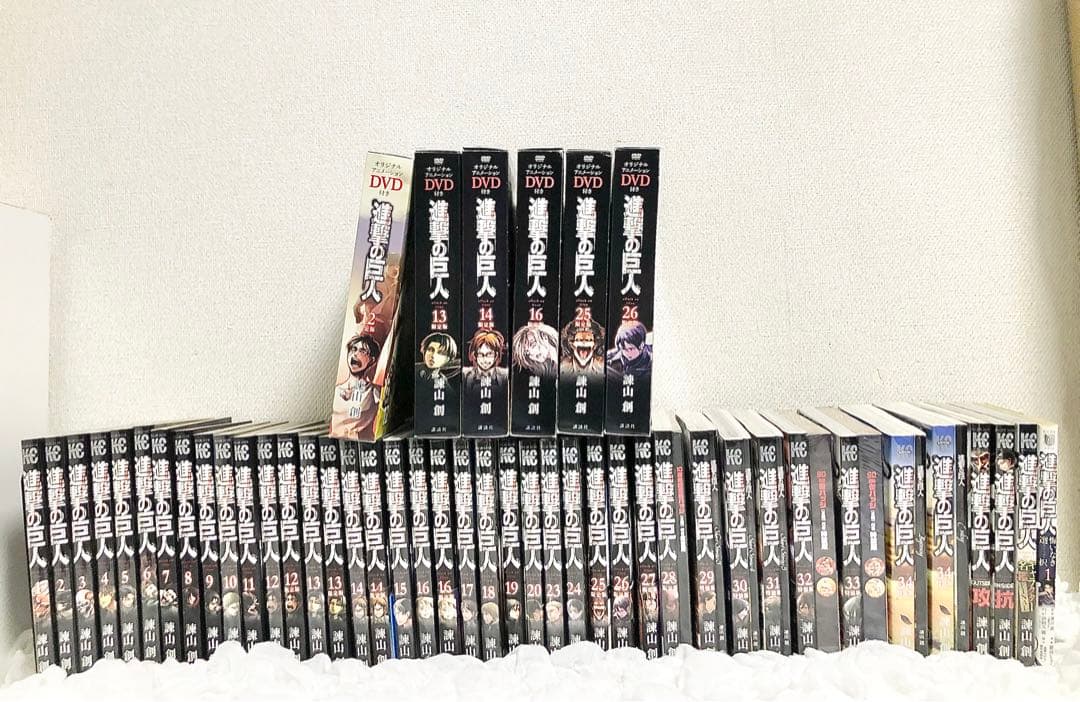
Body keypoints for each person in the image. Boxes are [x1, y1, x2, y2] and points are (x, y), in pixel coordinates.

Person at [333, 334, 382, 438]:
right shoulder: (337, 390)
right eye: (353, 349)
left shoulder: (373, 391)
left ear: (372, 360)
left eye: (362, 351)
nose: (355, 354)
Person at [462, 329, 508, 399]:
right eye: (481, 354)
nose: (485, 360)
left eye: (489, 354)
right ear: (474, 355)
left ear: (496, 355)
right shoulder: (465, 375)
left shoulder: (505, 376)